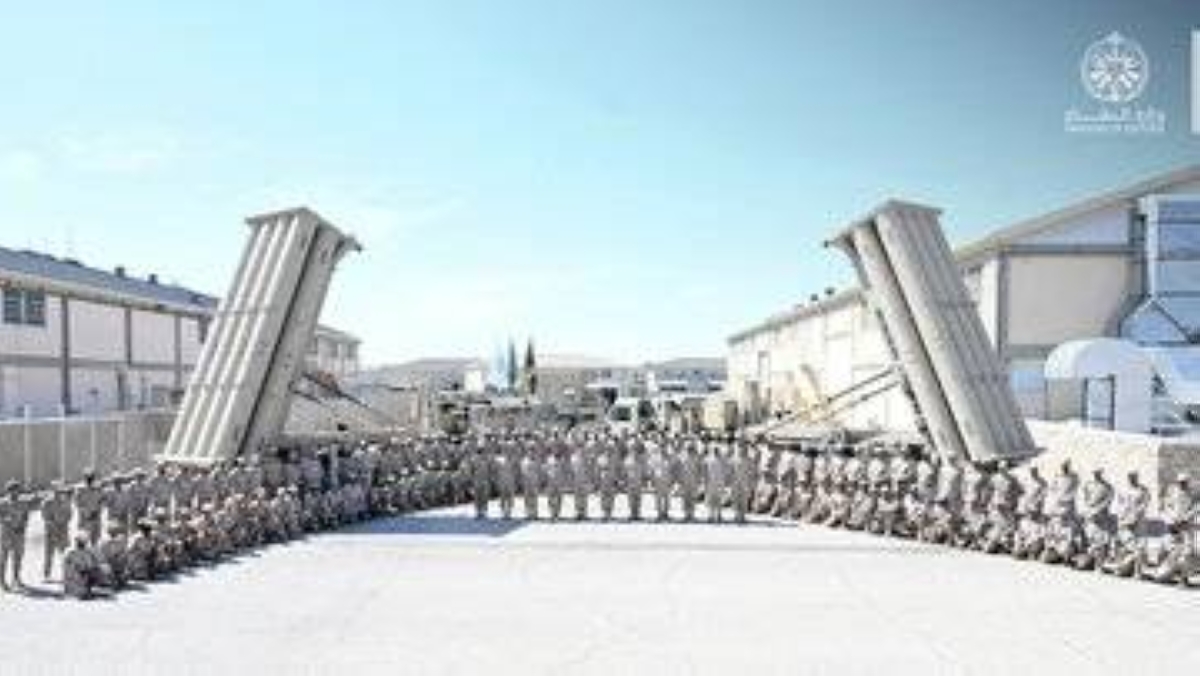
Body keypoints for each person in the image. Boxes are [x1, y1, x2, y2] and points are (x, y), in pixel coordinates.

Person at [0, 480, 36, 591]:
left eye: (16, 490)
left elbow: (26, 516)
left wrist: (23, 526)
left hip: (19, 534)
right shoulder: (3, 503)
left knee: (18, 558)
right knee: (4, 558)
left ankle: (16, 578)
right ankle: (2, 580)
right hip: (6, 534)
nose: (15, 492)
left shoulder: (23, 503)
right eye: (12, 490)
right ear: (8, 491)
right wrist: (7, 521)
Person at [41, 481, 74, 579]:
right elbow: (45, 517)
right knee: (49, 554)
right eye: (57, 490)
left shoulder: (66, 502)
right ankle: (47, 574)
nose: (59, 492)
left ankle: (66, 574)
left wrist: (64, 523)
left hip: (63, 531)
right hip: (51, 532)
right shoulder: (47, 502)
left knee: (65, 554)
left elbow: (69, 515)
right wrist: (54, 526)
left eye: (60, 490)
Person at [62, 536, 101, 600]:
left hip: (72, 584)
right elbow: (89, 566)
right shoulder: (83, 554)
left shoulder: (71, 554)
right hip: (78, 583)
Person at [74, 470, 105, 546]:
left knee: (95, 541)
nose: (89, 479)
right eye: (88, 477)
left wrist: (98, 511)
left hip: (95, 519)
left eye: (91, 477)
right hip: (84, 519)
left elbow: (102, 501)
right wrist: (86, 512)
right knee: (83, 541)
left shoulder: (98, 489)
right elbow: (77, 503)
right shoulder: (80, 489)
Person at [705, 447, 727, 524]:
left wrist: (725, 481)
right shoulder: (708, 460)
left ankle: (719, 515)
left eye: (717, 451)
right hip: (711, 482)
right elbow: (705, 471)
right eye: (715, 451)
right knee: (711, 501)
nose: (716, 452)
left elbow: (726, 471)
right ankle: (710, 516)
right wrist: (705, 481)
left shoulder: (723, 460)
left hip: (720, 483)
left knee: (719, 500)